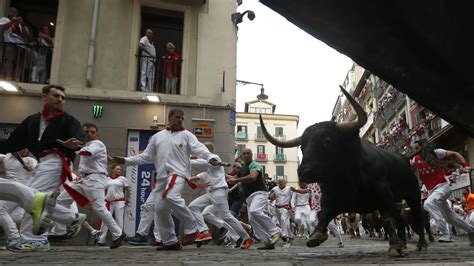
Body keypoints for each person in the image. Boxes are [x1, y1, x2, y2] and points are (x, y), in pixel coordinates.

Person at [110, 108, 220, 251]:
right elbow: (146, 157)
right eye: (177, 117)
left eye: (182, 118)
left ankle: (192, 227)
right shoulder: (157, 137)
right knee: (160, 209)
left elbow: (200, 149)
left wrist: (211, 157)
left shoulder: (187, 135)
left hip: (178, 174)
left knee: (171, 196)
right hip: (162, 177)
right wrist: (125, 161)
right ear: (169, 118)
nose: (180, 120)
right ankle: (170, 241)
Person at [0, 84, 87, 252]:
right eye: (56, 96)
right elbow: (11, 143)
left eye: (62, 97)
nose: (60, 99)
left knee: (35, 198)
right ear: (44, 97)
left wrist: (72, 143)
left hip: (56, 160)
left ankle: (34, 239)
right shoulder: (32, 121)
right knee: (31, 197)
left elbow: (79, 138)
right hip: (42, 162)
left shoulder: (68, 120)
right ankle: (71, 218)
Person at [56, 123, 126, 249]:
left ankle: (118, 234)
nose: (89, 134)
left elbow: (87, 153)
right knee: (61, 200)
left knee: (99, 208)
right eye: (86, 131)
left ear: (96, 134)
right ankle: (60, 231)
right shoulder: (86, 145)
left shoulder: (97, 144)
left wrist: (70, 146)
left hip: (95, 180)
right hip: (83, 179)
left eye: (92, 132)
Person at [188, 142, 253, 249]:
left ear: (206, 149)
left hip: (218, 192)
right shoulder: (207, 162)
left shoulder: (214, 157)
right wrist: (188, 159)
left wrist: (186, 160)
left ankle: (246, 237)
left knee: (226, 216)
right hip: (210, 193)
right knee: (193, 206)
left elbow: (199, 163)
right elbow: (199, 162)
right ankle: (204, 230)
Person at [412, 139, 474, 244]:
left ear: (424, 146)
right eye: (415, 148)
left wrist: (465, 165)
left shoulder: (436, 153)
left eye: (417, 148)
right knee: (450, 218)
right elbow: (409, 166)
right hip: (433, 192)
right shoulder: (415, 159)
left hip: (443, 187)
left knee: (428, 203)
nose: (415, 150)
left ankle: (446, 234)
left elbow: (455, 154)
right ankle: (471, 230)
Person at [227, 148, 281, 250]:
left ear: (251, 154)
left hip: (259, 193)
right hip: (249, 197)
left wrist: (236, 180)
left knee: (255, 211)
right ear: (241, 156)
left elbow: (253, 177)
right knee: (252, 220)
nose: (246, 155)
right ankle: (267, 241)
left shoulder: (254, 165)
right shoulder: (242, 169)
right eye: (244, 153)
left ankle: (275, 232)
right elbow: (231, 178)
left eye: (248, 153)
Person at [97, 164, 131, 246]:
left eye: (120, 169)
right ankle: (101, 240)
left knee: (119, 221)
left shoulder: (122, 179)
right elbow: (102, 189)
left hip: (119, 202)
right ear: (112, 169)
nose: (119, 170)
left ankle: (117, 239)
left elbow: (128, 189)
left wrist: (127, 199)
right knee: (106, 220)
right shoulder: (107, 179)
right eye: (118, 169)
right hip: (108, 202)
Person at [270, 178, 293, 246]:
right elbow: (269, 195)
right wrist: (271, 196)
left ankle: (284, 236)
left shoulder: (289, 189)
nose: (280, 184)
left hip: (285, 208)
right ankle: (291, 235)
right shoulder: (275, 189)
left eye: (282, 182)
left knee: (283, 220)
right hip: (277, 208)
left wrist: (291, 206)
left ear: (285, 182)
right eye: (279, 182)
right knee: (283, 223)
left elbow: (292, 198)